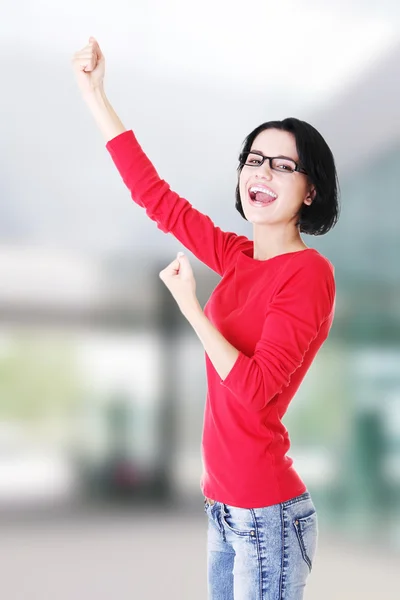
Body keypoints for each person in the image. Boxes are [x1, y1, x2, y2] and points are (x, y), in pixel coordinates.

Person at [72, 37, 340, 600]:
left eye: (283, 165)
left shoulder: (309, 274)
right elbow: (157, 199)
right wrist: (96, 96)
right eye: (255, 159)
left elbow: (259, 391)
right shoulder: (236, 257)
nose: (262, 172)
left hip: (266, 514)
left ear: (310, 189)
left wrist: (192, 309)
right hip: (223, 505)